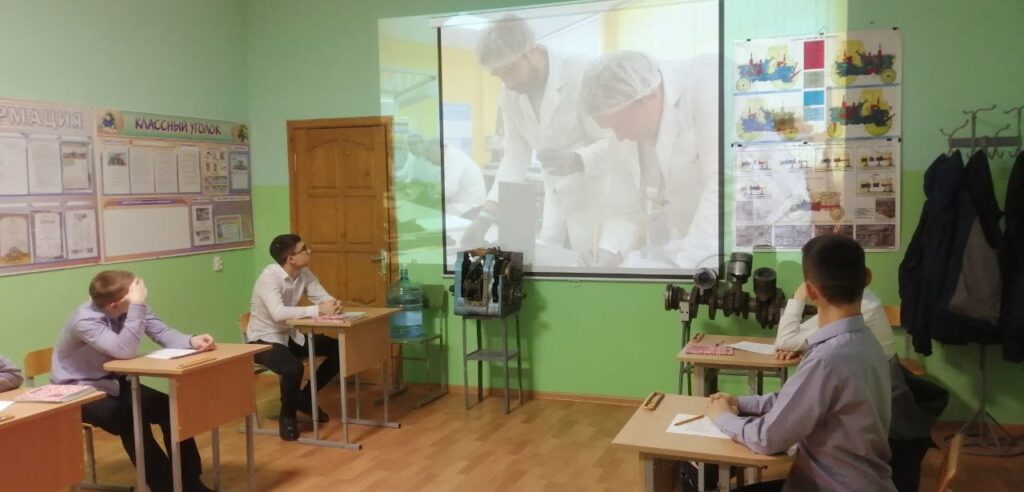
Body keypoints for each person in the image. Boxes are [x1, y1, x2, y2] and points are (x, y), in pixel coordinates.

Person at [707, 235, 895, 492]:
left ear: (811, 292)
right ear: (867, 278)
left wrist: (723, 418)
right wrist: (740, 402)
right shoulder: (867, 341)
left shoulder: (827, 359)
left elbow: (767, 439)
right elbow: (796, 399)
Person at [51, 271, 216, 492]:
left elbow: (161, 331)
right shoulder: (85, 320)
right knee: (130, 419)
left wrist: (191, 340)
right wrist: (136, 305)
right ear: (114, 306)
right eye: (135, 295)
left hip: (115, 382)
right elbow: (123, 351)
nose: (141, 296)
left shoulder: (129, 306)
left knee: (170, 408)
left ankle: (191, 481)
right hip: (79, 391)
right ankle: (164, 487)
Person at [462, 14, 612, 259]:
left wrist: (579, 159)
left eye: (509, 70)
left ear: (531, 50)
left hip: (597, 198)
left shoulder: (582, 73)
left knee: (593, 266)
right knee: (550, 260)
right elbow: (515, 156)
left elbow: (616, 141)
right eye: (499, 75)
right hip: (556, 197)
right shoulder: (510, 94)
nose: (507, 82)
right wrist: (486, 216)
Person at [579, 50, 718, 269]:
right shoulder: (625, 124)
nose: (619, 136)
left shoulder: (709, 84)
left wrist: (684, 269)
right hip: (686, 246)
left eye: (619, 124)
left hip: (733, 246)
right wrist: (608, 251)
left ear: (648, 96)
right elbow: (624, 209)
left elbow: (722, 187)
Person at [247, 233, 342, 441]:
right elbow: (278, 313)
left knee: (338, 349)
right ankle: (287, 416)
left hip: (290, 336)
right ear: (291, 258)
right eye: (304, 249)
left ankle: (304, 398)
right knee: (293, 368)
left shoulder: (303, 273)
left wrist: (334, 304)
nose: (309, 251)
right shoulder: (269, 278)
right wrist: (318, 310)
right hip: (263, 340)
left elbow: (323, 298)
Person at [774, 285, 895, 359]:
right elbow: (789, 338)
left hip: (879, 387)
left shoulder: (862, 306)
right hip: (863, 381)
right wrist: (795, 346)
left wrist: (799, 294)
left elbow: (785, 340)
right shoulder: (852, 297)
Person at [423, 138, 486, 218]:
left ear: (437, 150)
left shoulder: (454, 158)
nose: (427, 159)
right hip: (463, 205)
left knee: (431, 212)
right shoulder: (451, 157)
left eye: (428, 153)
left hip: (469, 209)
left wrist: (433, 192)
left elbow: (449, 190)